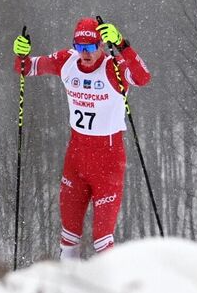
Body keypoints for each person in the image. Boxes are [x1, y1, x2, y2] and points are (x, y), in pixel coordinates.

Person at [12, 17, 150, 258]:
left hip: (108, 163)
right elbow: (25, 68)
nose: (84, 54)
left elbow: (142, 77)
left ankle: (108, 290)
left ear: (101, 45)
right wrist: (21, 52)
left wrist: (122, 44)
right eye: (79, 47)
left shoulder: (113, 67)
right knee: (69, 235)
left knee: (102, 240)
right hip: (76, 159)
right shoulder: (67, 60)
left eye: (90, 47)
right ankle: (68, 290)